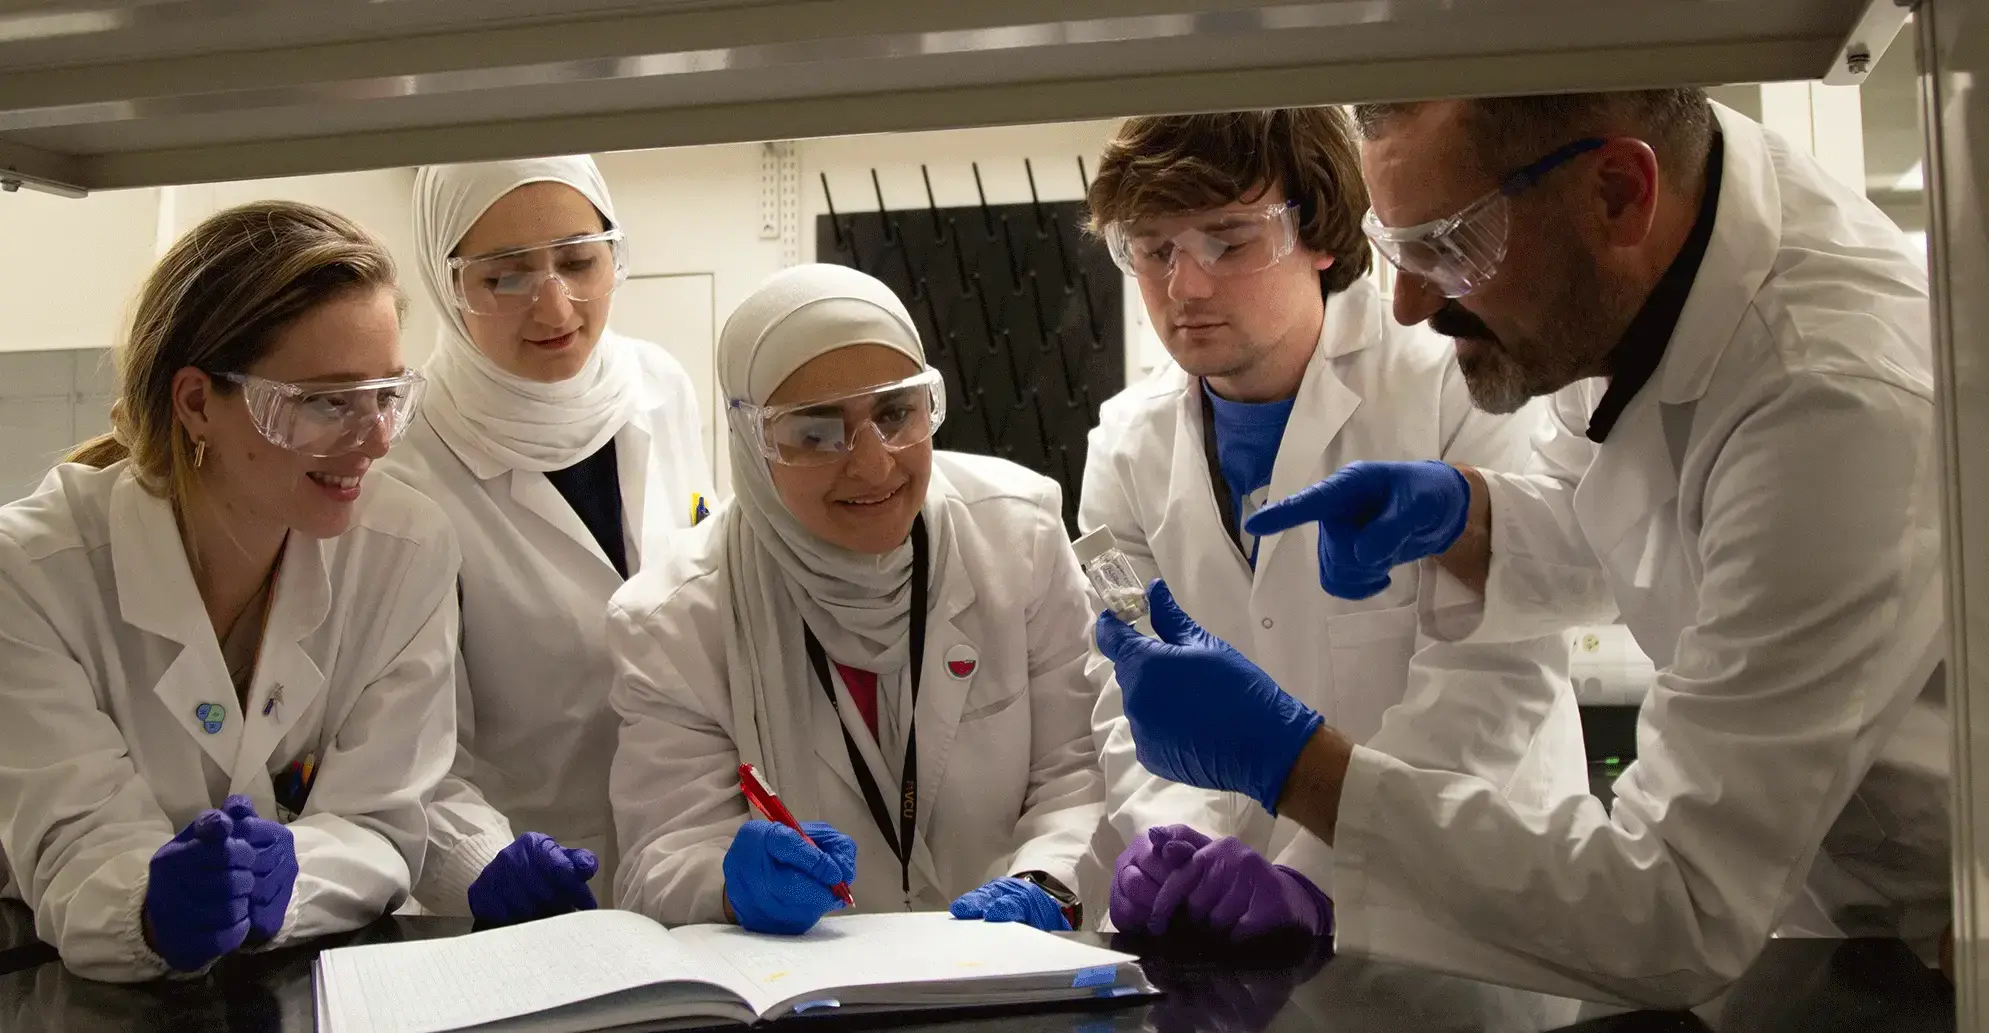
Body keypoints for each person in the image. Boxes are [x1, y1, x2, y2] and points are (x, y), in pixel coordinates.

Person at [1094, 89, 1949, 1007]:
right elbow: (1628, 527)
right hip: (1809, 901)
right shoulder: (1653, 247)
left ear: (1621, 192)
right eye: (1400, 248)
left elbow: (1675, 907)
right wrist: (1471, 515)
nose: (1411, 305)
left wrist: (1292, 765)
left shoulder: (1829, 400)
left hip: (1935, 919)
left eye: (1449, 246)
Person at [1080, 109, 1586, 943]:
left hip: (1463, 913)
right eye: (1153, 247)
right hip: (1232, 929)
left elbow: (1494, 679)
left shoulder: (1456, 385)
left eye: (1228, 240)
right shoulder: (1124, 449)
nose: (1185, 286)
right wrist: (1175, 840)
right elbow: (1131, 690)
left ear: (1320, 234)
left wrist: (1316, 874)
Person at [0, 202, 458, 982]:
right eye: (324, 401)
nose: (377, 440)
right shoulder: (33, 572)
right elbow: (74, 846)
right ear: (195, 402)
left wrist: (291, 878)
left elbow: (381, 819)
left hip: (305, 980)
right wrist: (150, 905)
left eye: (385, 394)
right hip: (77, 991)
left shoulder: (404, 549)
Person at [610, 264, 1102, 935]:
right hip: (804, 987)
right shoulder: (673, 618)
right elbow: (657, 858)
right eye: (815, 432)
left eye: (896, 412)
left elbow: (1076, 770)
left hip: (1015, 971)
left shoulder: (1020, 533)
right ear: (752, 445)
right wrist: (724, 881)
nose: (873, 464)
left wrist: (1046, 877)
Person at [384, 156, 712, 926]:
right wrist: (484, 863)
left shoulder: (659, 386)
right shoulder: (406, 466)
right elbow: (404, 748)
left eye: (577, 260)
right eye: (504, 276)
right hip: (517, 895)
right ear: (443, 280)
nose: (554, 306)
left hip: (690, 862)